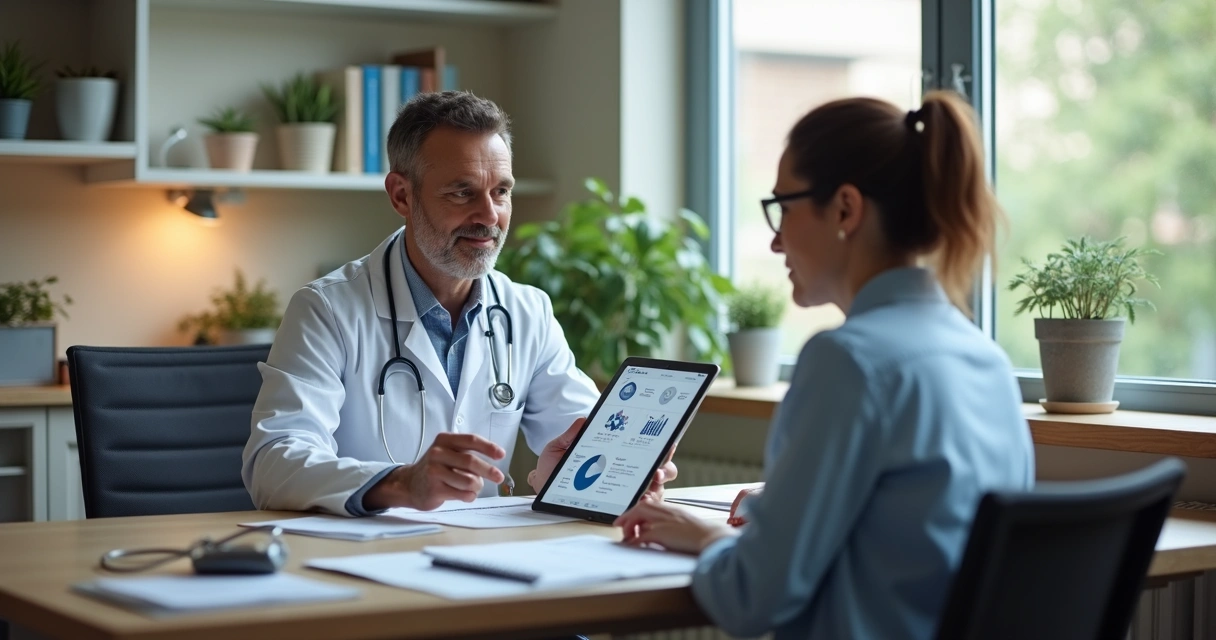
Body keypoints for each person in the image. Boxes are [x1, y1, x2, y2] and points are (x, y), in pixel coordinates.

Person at [613, 91, 1034, 639]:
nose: (774, 239)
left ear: (845, 209)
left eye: (783, 208)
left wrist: (713, 540)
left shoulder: (848, 362)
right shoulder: (987, 360)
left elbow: (752, 600)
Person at [241, 91, 676, 516]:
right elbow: (273, 462)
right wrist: (400, 483)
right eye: (462, 193)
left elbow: (575, 435)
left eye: (501, 192)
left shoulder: (527, 312)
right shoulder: (327, 309)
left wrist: (601, 473)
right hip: (366, 560)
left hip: (482, 556)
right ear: (401, 196)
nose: (489, 216)